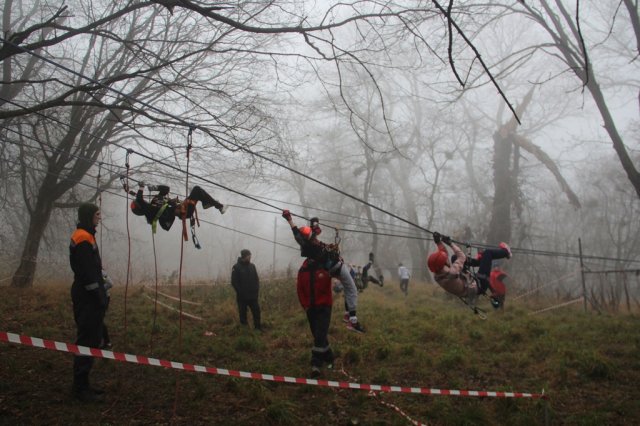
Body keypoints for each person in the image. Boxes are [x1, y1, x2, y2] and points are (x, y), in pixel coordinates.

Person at [282, 210, 365, 334]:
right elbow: (297, 234)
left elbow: (304, 233)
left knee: (349, 288)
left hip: (332, 267)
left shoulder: (310, 244)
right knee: (352, 289)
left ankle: (348, 315)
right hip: (336, 267)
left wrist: (299, 221)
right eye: (312, 236)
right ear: (309, 238)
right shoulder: (309, 246)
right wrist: (289, 219)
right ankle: (352, 321)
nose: (315, 238)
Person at [69, 203, 108, 402]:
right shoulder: (83, 238)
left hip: (89, 295)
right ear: (88, 216)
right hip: (87, 297)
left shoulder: (86, 234)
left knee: (93, 338)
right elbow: (86, 273)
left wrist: (103, 281)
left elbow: (92, 268)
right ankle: (80, 389)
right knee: (86, 340)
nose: (99, 218)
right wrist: (99, 297)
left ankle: (84, 385)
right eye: (97, 214)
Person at [427, 232, 512, 308]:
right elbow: (462, 257)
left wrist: (438, 242)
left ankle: (481, 261)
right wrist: (450, 244)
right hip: (480, 284)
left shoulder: (438, 274)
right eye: (445, 259)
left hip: (467, 284)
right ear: (443, 264)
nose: (446, 259)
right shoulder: (452, 272)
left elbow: (443, 254)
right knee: (488, 253)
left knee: (454, 257)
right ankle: (506, 252)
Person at [125, 181, 227, 232]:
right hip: (184, 212)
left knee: (198, 191)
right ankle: (218, 206)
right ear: (141, 208)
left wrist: (153, 188)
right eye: (141, 204)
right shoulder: (150, 212)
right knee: (196, 190)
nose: (143, 202)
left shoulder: (154, 202)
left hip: (183, 208)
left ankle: (209, 203)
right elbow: (139, 199)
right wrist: (141, 187)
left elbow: (166, 189)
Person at [230, 249, 262, 331]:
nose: (250, 257)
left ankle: (258, 328)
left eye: (250, 255)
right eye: (249, 255)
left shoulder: (252, 266)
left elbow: (256, 279)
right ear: (244, 256)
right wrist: (241, 293)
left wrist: (256, 291)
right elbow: (234, 282)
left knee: (256, 312)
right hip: (242, 298)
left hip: (253, 296)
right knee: (243, 315)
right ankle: (245, 331)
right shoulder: (236, 267)